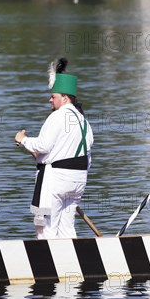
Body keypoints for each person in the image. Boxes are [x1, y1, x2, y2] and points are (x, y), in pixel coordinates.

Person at [15, 58, 93, 239]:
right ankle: (72, 264)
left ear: (65, 98)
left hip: (55, 180)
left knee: (45, 229)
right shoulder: (84, 121)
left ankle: (47, 265)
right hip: (78, 180)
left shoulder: (57, 117)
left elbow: (43, 145)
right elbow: (86, 156)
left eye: (53, 96)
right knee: (67, 229)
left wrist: (23, 140)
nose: (50, 99)